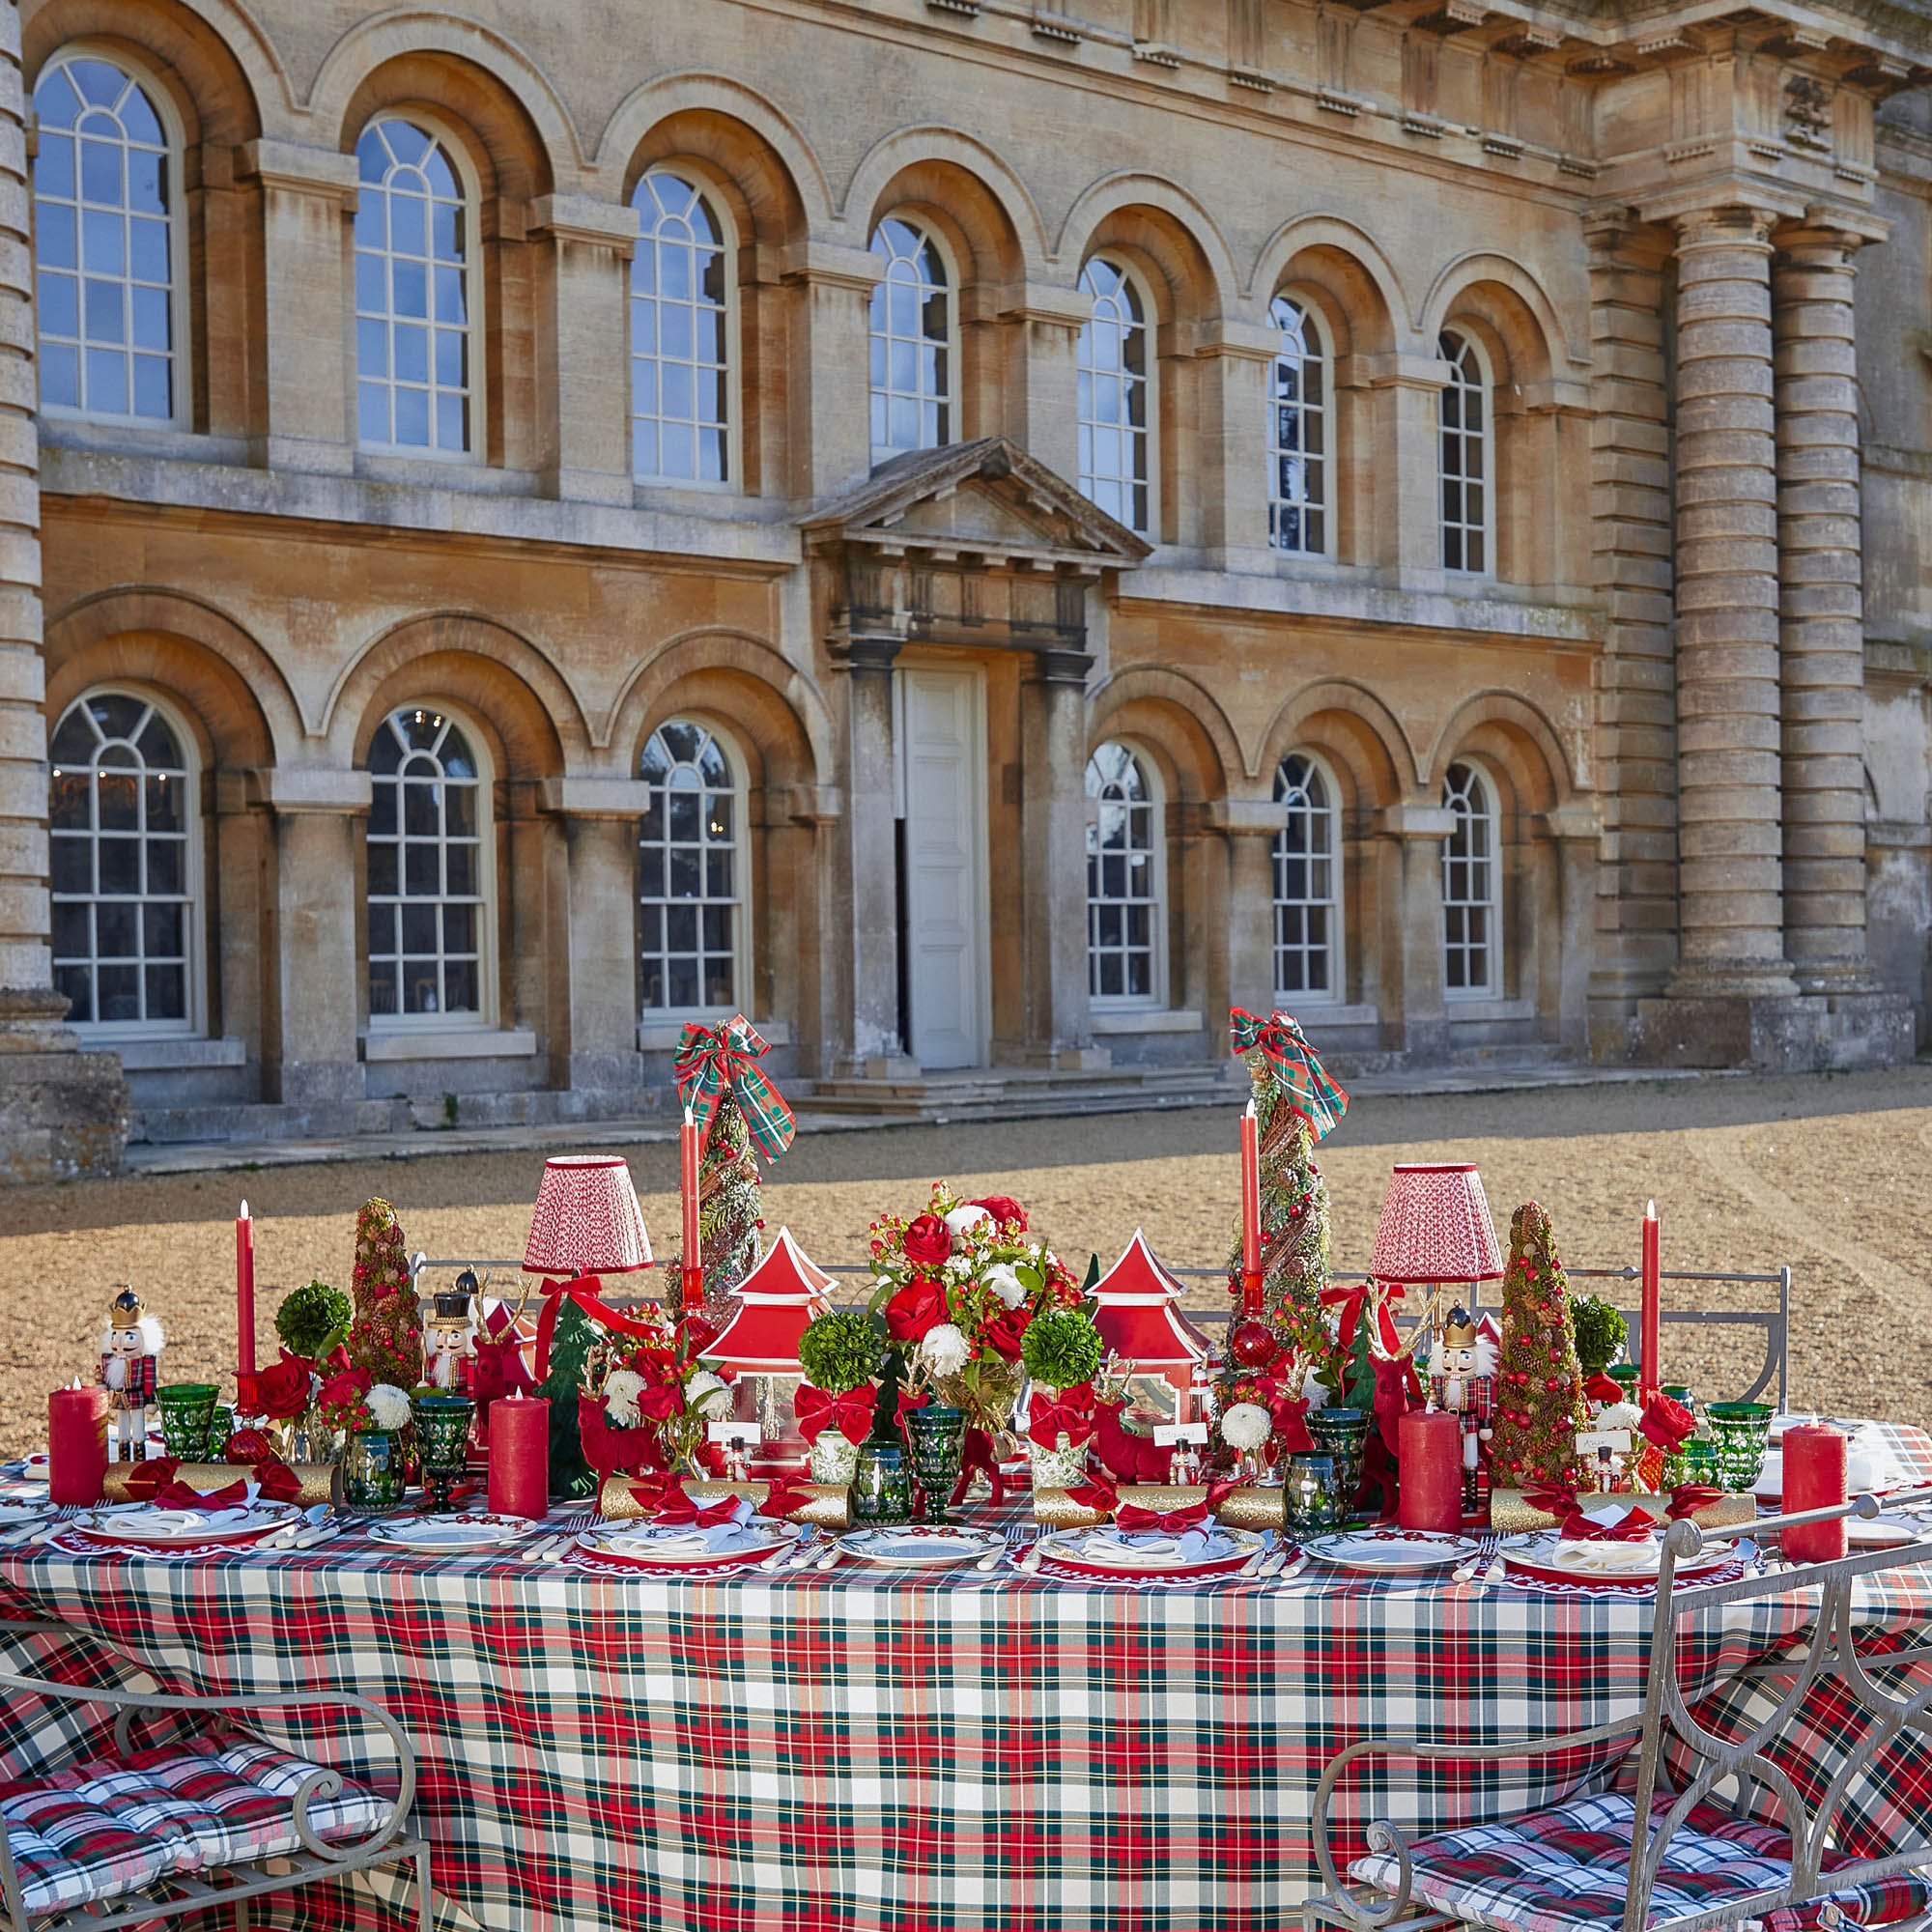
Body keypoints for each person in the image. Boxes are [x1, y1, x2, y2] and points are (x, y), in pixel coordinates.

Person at [1427, 1305, 1496, 1515]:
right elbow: (1435, 1399)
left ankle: (1472, 1500)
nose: (1455, 1362)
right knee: (1448, 1459)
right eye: (1448, 1355)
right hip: (1447, 1424)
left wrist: (1486, 1424)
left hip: (1471, 1422)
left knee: (1471, 1459)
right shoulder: (1439, 1379)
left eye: (1464, 1356)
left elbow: (1484, 1402)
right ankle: (1448, 1497)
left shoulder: (1480, 1381)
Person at [98, 1285, 162, 1463]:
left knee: (139, 1429)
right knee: (122, 1430)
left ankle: (139, 1458)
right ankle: (124, 1461)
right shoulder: (109, 1361)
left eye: (129, 1336)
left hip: (137, 1397)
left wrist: (150, 1400)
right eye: (115, 1335)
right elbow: (105, 1380)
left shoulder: (145, 1361)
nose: (119, 1341)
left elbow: (150, 1381)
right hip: (119, 1399)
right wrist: (101, 1387)